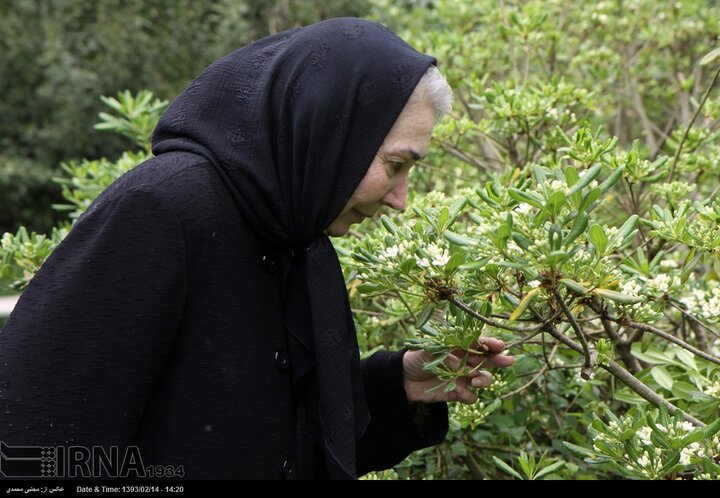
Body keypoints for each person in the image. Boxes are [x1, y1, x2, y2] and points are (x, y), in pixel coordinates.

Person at [0, 18, 513, 480]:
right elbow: (37, 442)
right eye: (395, 165)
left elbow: (278, 440)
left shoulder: (294, 235)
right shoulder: (164, 209)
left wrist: (398, 386)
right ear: (332, 133)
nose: (400, 199)